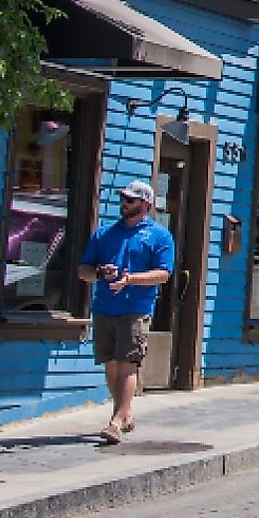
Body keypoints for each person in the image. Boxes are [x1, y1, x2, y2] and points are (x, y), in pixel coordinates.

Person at [80, 179, 175, 445]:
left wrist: (130, 279)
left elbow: (163, 274)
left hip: (136, 308)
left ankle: (116, 421)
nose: (124, 204)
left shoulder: (160, 236)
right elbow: (83, 271)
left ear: (145, 204)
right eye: (123, 199)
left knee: (127, 363)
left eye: (130, 200)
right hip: (104, 308)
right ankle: (124, 414)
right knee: (111, 365)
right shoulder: (104, 234)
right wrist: (100, 273)